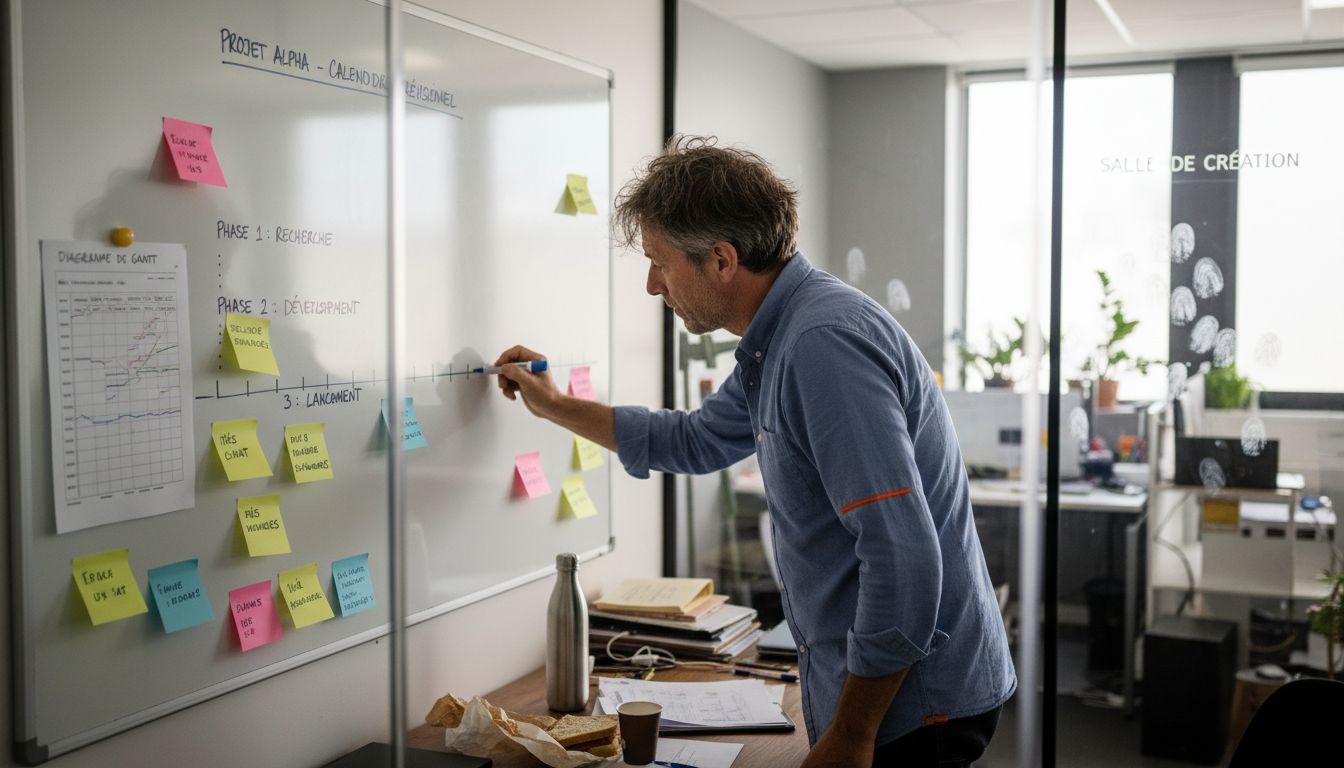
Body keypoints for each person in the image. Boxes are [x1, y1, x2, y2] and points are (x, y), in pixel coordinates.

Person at [493, 136, 1015, 767]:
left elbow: (903, 560)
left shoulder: (821, 346)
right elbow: (693, 439)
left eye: (660, 262)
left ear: (720, 260)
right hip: (882, 693)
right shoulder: (781, 338)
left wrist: (851, 735)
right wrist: (554, 405)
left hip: (911, 709)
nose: (652, 285)